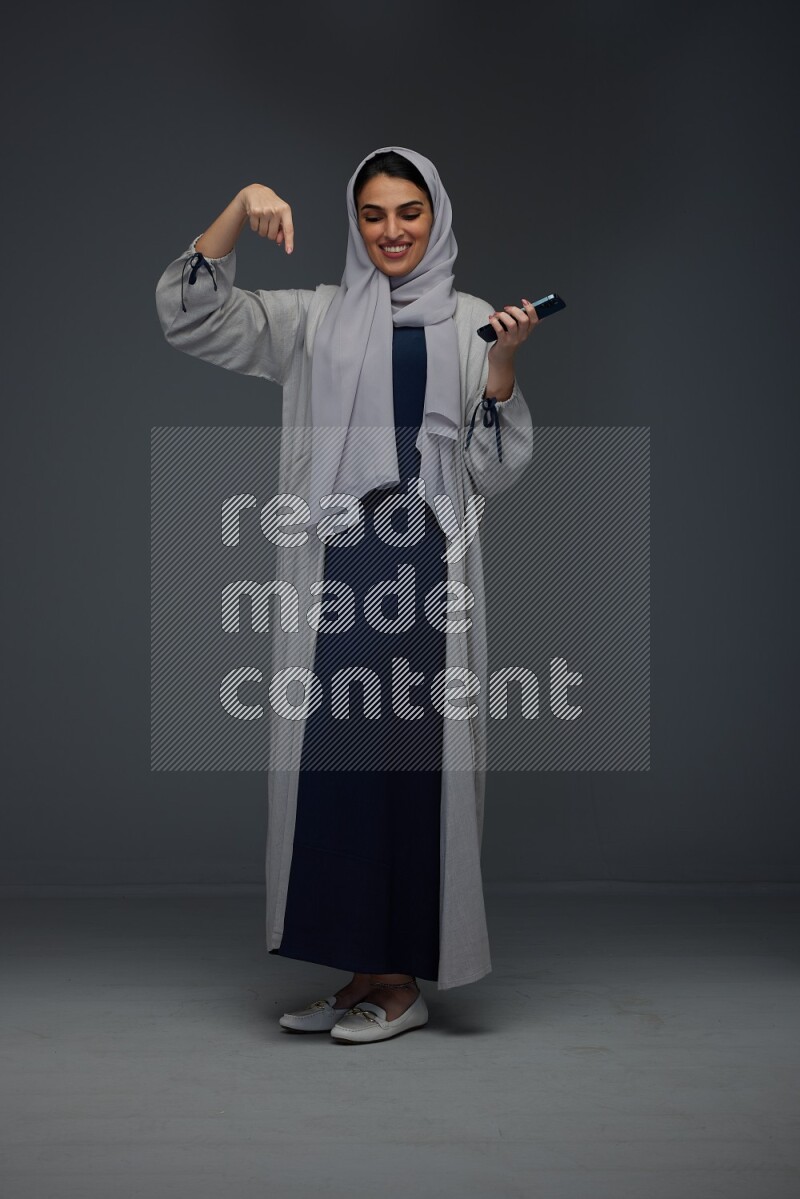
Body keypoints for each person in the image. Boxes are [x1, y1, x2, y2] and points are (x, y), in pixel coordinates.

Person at [155, 146, 538, 1043]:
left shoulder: (471, 322)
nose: (392, 230)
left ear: (435, 217)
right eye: (374, 214)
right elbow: (192, 314)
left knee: (408, 779)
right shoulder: (316, 321)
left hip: (424, 586)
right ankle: (360, 969)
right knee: (338, 775)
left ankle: (400, 985)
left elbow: (494, 467)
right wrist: (239, 203)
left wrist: (505, 366)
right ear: (355, 222)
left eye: (409, 212)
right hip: (337, 578)